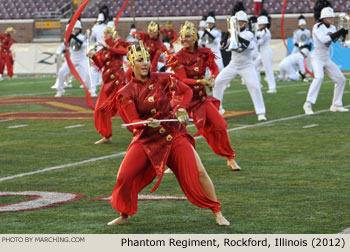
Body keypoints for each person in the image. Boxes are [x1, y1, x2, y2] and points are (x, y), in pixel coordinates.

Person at [107, 42, 230, 226]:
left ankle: (217, 211)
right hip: (146, 139)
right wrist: (147, 124)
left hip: (173, 135)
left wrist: (181, 110)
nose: (145, 63)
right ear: (132, 63)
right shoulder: (126, 92)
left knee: (199, 171)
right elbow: (133, 123)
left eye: (147, 59)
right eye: (140, 60)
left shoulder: (163, 78)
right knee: (124, 176)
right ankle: (124, 214)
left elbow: (186, 91)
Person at [167, 21, 241, 171]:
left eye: (187, 36)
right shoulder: (178, 57)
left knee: (219, 125)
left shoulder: (204, 52)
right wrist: (200, 81)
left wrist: (213, 77)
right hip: (182, 100)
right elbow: (182, 80)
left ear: (194, 37)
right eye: (182, 37)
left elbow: (214, 67)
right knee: (177, 131)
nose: (184, 39)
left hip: (200, 98)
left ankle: (230, 157)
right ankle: (173, 161)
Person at [214, 11, 267, 121]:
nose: (239, 24)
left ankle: (261, 112)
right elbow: (222, 46)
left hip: (246, 65)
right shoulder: (232, 33)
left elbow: (248, 45)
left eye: (242, 22)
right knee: (218, 82)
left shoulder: (249, 34)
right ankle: (217, 108)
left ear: (245, 23)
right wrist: (227, 35)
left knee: (255, 86)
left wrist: (235, 35)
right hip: (233, 64)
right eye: (238, 22)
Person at [88, 27, 130, 144]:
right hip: (107, 84)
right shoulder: (102, 51)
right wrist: (93, 57)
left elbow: (125, 52)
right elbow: (101, 66)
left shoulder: (118, 45)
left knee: (126, 109)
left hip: (118, 83)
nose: (105, 34)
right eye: (104, 33)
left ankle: (140, 131)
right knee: (100, 109)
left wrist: (109, 48)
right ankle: (107, 136)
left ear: (113, 34)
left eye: (108, 33)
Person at [303, 6, 349, 114]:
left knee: (341, 79)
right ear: (324, 18)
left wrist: (343, 34)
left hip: (326, 58)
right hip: (317, 57)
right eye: (330, 17)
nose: (333, 19)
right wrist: (338, 33)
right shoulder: (317, 27)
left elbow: (336, 40)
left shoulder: (332, 28)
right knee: (319, 77)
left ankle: (336, 104)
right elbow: (324, 40)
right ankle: (308, 104)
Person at [54, 20, 91, 97]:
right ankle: (60, 90)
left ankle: (91, 89)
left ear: (79, 29)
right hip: (72, 59)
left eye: (77, 29)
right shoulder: (68, 37)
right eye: (74, 28)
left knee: (88, 73)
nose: (75, 30)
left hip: (82, 59)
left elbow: (84, 45)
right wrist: (60, 50)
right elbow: (63, 45)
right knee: (61, 72)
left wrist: (74, 38)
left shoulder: (82, 37)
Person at [254, 15, 277, 93]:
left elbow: (260, 42)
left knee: (268, 69)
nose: (259, 26)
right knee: (255, 67)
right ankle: (258, 84)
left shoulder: (266, 32)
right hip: (262, 52)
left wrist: (255, 38)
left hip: (266, 52)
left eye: (260, 24)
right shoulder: (260, 31)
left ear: (264, 24)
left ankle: (272, 87)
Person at [89, 12, 108, 96]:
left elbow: (92, 38)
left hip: (99, 52)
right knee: (105, 70)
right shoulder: (107, 27)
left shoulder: (95, 28)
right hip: (106, 51)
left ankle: (93, 89)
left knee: (95, 70)